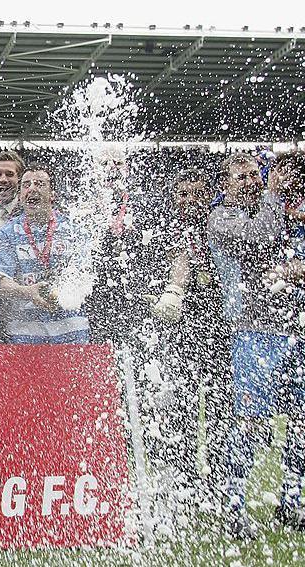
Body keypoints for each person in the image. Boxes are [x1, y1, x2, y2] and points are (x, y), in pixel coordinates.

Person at [208, 153, 303, 538]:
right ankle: (235, 509)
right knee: (248, 423)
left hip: (296, 330)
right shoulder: (223, 219)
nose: (250, 181)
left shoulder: (279, 211)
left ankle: (293, 503)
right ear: (226, 186)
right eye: (241, 177)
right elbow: (262, 236)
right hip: (255, 334)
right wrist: (275, 198)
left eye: (254, 175)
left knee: (299, 424)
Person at [145, 167, 232, 515]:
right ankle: (181, 486)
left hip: (217, 333)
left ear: (207, 195)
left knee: (218, 413)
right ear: (174, 197)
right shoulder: (162, 231)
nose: (190, 201)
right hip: (176, 334)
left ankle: (215, 486)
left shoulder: (218, 228)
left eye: (197, 193)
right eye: (183, 194)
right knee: (177, 410)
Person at [0, 164, 91, 344]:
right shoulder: (7, 233)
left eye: (39, 184)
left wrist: (60, 292)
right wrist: (27, 291)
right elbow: (0, 281)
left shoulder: (75, 230)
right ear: (20, 196)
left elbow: (83, 275)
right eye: (26, 185)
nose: (32, 189)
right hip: (25, 336)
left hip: (72, 332)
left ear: (53, 194)